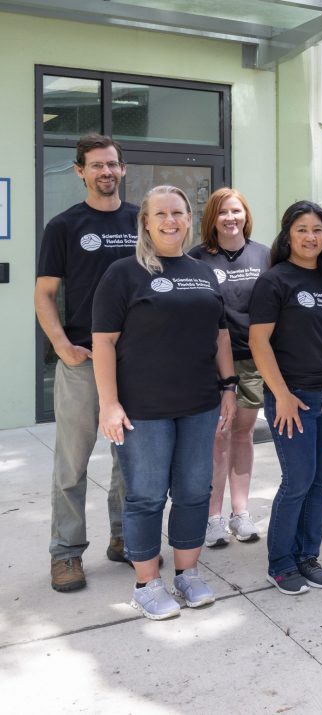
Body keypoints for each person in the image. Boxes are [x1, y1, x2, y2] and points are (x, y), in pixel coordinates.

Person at [93, 185, 237, 620]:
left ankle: (187, 575)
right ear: (146, 221)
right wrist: (108, 403)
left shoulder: (203, 272)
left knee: (195, 491)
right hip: (144, 409)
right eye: (161, 214)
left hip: (199, 403)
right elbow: (103, 343)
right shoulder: (123, 273)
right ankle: (146, 583)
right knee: (146, 496)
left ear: (189, 219)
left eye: (178, 212)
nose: (171, 220)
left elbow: (220, 335)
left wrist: (228, 386)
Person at [35, 134, 138, 592]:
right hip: (82, 361)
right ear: (80, 171)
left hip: (135, 362)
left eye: (112, 164)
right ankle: (66, 552)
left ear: (122, 168)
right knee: (73, 463)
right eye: (96, 165)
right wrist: (61, 346)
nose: (106, 172)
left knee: (131, 460)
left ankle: (123, 537)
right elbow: (44, 294)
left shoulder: (142, 221)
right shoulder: (64, 226)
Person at [250, 201, 322, 595]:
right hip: (293, 398)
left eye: (317, 230)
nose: (310, 237)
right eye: (302, 230)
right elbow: (258, 341)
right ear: (287, 236)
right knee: (296, 480)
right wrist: (280, 394)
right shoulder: (275, 281)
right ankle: (280, 563)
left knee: (318, 482)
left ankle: (307, 556)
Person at [189, 188, 269, 548]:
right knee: (216, 437)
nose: (230, 218)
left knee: (242, 434)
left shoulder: (264, 255)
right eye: (222, 212)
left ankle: (240, 514)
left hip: (253, 360)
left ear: (245, 214)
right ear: (212, 219)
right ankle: (212, 518)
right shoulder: (196, 259)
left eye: (236, 211)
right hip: (209, 361)